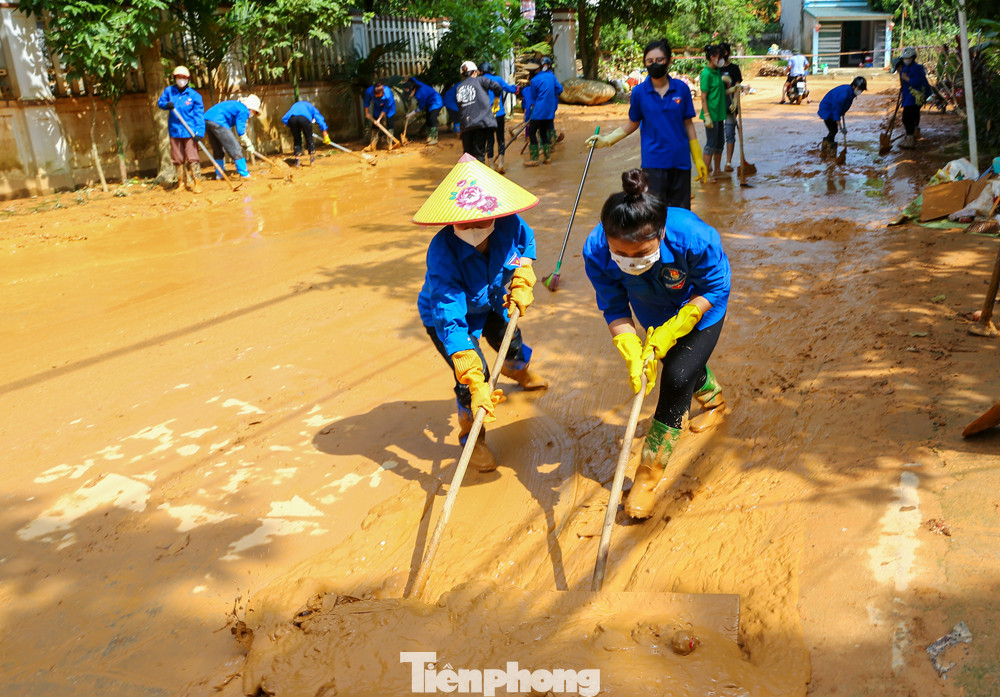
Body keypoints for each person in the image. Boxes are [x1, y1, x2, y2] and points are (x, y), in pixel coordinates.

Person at [583, 169, 730, 519]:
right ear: (606, 237)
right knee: (676, 361)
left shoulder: (693, 237)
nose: (631, 261)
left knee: (677, 376)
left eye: (642, 252)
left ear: (661, 235)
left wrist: (679, 324)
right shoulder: (595, 250)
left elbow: (715, 285)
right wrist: (631, 349)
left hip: (700, 308)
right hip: (650, 311)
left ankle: (648, 478)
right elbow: (614, 306)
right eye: (621, 252)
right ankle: (714, 399)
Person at [414, 154, 549, 472]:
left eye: (481, 221)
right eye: (465, 222)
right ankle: (472, 438)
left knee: (511, 339)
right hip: (448, 319)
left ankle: (518, 370)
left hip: (492, 300)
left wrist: (522, 278)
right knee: (474, 378)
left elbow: (524, 246)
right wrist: (475, 382)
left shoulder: (510, 223)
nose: (474, 228)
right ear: (451, 219)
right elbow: (451, 317)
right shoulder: (442, 250)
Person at [585, 39, 706, 208]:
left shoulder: (681, 89)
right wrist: (607, 140)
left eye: (659, 60)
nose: (654, 64)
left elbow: (688, 124)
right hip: (653, 165)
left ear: (669, 61)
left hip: (680, 163)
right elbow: (632, 124)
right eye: (649, 61)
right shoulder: (639, 92)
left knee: (681, 215)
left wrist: (698, 158)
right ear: (645, 64)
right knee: (654, 215)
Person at [157, 65, 205, 193]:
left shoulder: (194, 96)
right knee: (177, 159)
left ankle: (197, 182)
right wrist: (166, 104)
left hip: (189, 131)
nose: (181, 80)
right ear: (175, 78)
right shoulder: (169, 91)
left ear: (188, 79)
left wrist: (199, 132)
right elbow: (160, 103)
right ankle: (181, 183)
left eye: (183, 78)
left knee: (192, 157)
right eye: (178, 77)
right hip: (175, 130)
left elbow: (199, 115)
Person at [455, 60, 505, 163]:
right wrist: (496, 98)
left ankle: (470, 177)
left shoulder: (458, 88)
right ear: (474, 72)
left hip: (466, 125)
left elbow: (459, 106)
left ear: (462, 75)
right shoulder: (481, 80)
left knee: (467, 154)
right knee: (480, 153)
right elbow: (498, 87)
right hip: (481, 123)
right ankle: (480, 177)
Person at [203, 94, 261, 180]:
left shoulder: (237, 106)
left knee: (218, 150)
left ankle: (219, 175)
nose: (253, 114)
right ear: (251, 108)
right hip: (219, 121)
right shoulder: (244, 110)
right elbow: (241, 132)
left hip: (207, 120)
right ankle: (244, 174)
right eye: (254, 112)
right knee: (235, 148)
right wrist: (249, 144)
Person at [522, 57, 562, 166]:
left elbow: (533, 97)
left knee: (532, 131)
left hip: (539, 110)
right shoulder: (551, 77)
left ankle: (534, 159)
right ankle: (547, 157)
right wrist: (552, 95)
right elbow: (560, 89)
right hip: (549, 109)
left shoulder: (534, 80)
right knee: (544, 132)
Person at [479, 62, 517, 172]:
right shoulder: (498, 79)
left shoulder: (479, 81)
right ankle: (500, 164)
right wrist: (514, 86)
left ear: (481, 72)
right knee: (500, 139)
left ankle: (491, 166)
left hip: (486, 115)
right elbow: (510, 89)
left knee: (489, 140)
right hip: (499, 114)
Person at [817, 76, 867, 158]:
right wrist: (841, 128)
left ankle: (825, 147)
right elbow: (836, 111)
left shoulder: (850, 92)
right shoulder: (843, 94)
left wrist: (843, 112)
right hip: (827, 110)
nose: (860, 91)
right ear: (854, 86)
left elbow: (843, 106)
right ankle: (828, 151)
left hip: (834, 109)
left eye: (862, 89)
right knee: (833, 130)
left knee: (833, 131)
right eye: (859, 88)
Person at [699, 44, 727, 181]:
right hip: (711, 114)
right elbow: (703, 97)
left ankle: (717, 170)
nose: (722, 60)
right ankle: (705, 174)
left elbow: (720, 92)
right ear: (712, 57)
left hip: (720, 114)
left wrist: (733, 89)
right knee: (710, 144)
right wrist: (707, 115)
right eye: (720, 57)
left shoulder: (717, 72)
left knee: (720, 143)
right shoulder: (706, 74)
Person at [895, 46, 931, 149]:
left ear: (912, 58)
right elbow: (903, 83)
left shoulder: (917, 68)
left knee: (907, 118)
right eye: (904, 58)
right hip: (908, 96)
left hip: (916, 97)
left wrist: (906, 78)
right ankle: (913, 133)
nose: (905, 60)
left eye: (908, 58)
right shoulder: (905, 68)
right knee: (912, 115)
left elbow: (916, 82)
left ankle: (910, 138)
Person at [718, 44, 745, 173]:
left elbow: (738, 87)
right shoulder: (714, 69)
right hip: (717, 106)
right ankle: (715, 166)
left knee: (730, 134)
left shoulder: (734, 68)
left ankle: (728, 162)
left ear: (728, 53)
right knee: (717, 136)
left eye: (724, 52)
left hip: (730, 106)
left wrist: (735, 101)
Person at [281, 100, 330, 167]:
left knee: (297, 140)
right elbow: (320, 119)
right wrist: (325, 133)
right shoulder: (311, 107)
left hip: (292, 119)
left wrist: (294, 127)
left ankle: (297, 162)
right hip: (304, 119)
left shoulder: (295, 105)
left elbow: (284, 119)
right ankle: (312, 161)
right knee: (309, 138)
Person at [404, 77, 444, 145]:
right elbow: (413, 79)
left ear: (413, 89)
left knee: (432, 118)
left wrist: (410, 114)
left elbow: (421, 107)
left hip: (436, 102)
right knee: (428, 118)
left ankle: (434, 138)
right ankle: (429, 137)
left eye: (410, 93)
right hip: (430, 103)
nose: (409, 95)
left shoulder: (420, 93)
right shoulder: (415, 83)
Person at [364, 82, 397, 150]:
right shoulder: (369, 91)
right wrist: (367, 113)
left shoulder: (388, 94)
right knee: (375, 125)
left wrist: (379, 119)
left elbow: (386, 108)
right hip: (378, 106)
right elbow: (366, 102)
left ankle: (390, 144)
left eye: (379, 95)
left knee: (390, 123)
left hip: (389, 107)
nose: (377, 96)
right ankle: (372, 145)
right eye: (376, 96)